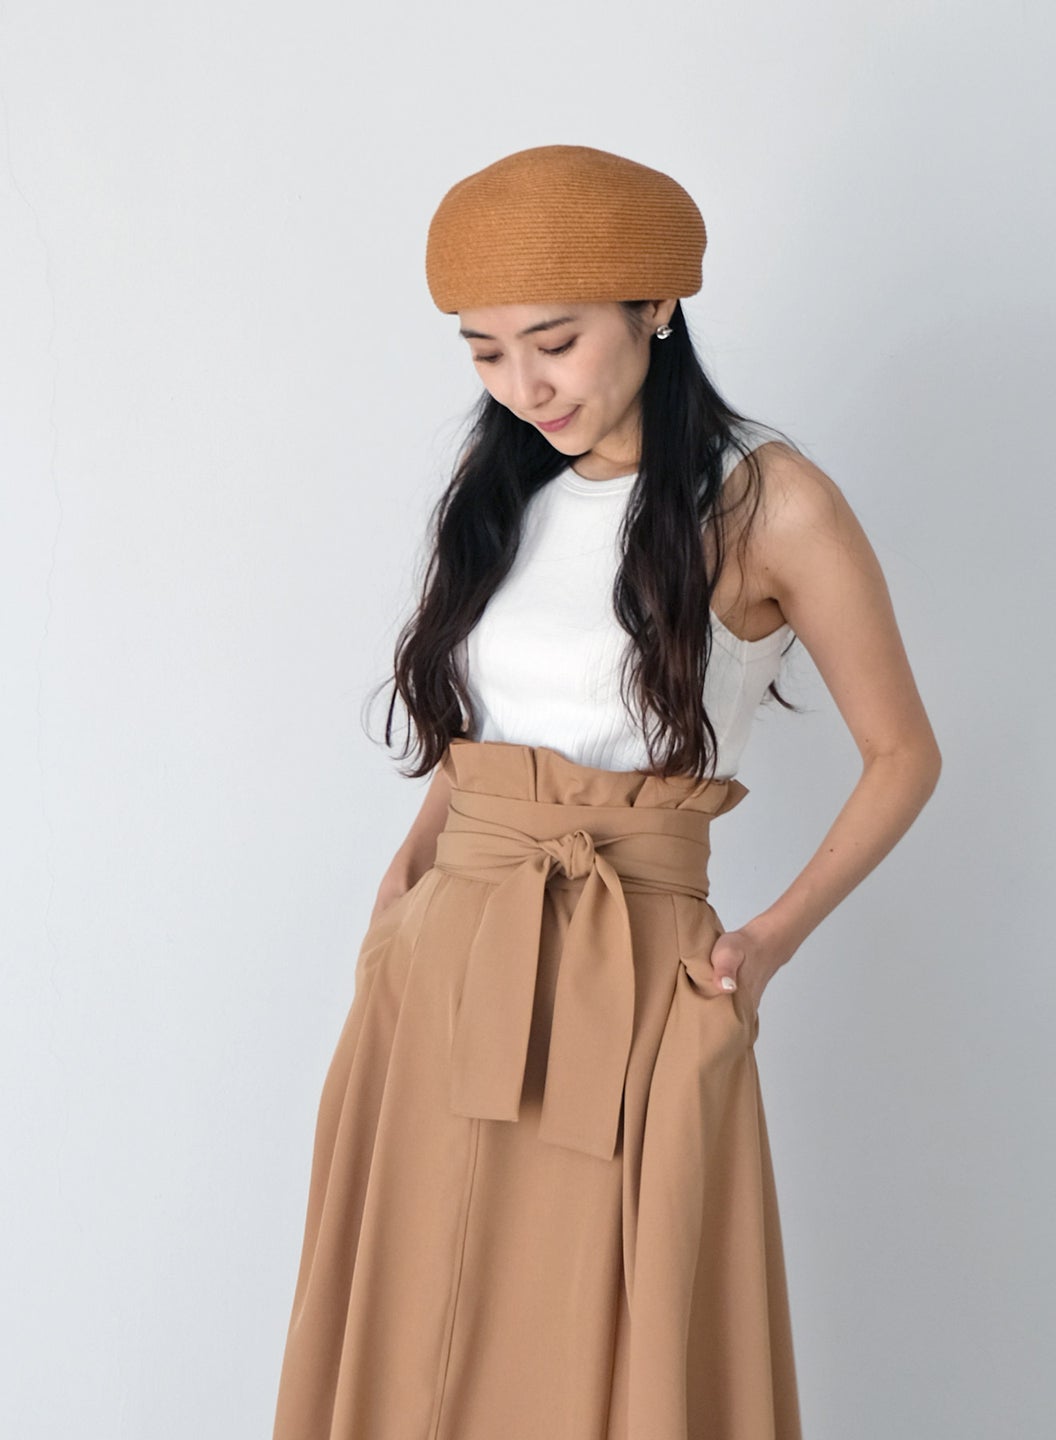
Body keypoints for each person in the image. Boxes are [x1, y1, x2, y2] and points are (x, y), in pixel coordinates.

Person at [271, 143, 941, 1440]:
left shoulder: (769, 500)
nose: (523, 388)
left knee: (601, 1339)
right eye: (484, 352)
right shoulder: (506, 487)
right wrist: (405, 880)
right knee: (418, 1330)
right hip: (445, 959)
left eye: (555, 343)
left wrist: (766, 945)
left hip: (635, 977)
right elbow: (484, 733)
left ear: (658, 305)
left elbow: (904, 753)